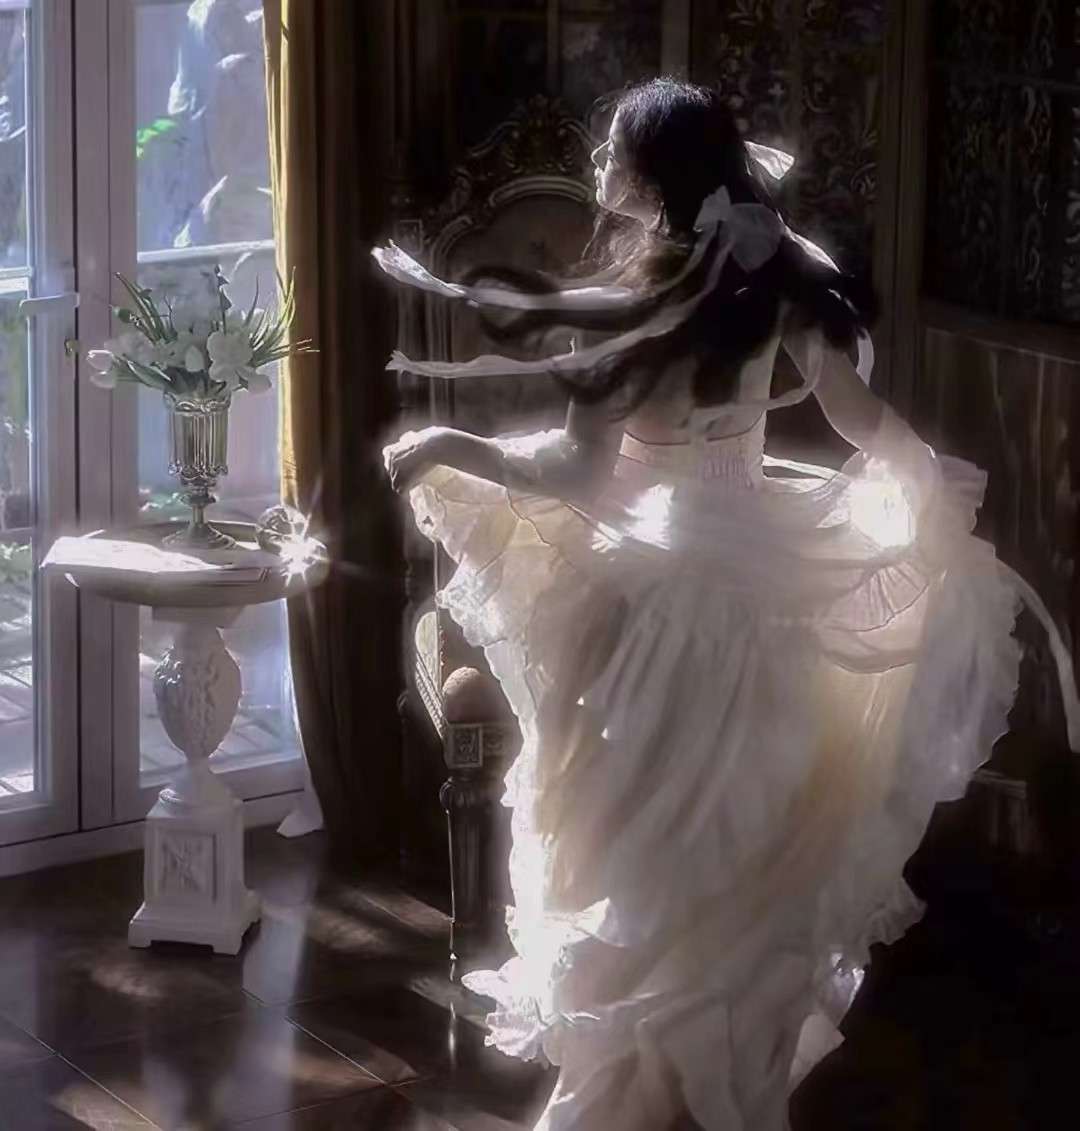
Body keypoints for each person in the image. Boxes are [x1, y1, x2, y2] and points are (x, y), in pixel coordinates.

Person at [373, 78, 1080, 1131]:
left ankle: (636, 1096)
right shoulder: (772, 275)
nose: (598, 164)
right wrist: (925, 487)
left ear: (650, 177)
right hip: (762, 592)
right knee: (742, 868)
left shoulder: (642, 308)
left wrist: (448, 442)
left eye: (612, 150)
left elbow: (576, 470)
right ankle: (712, 1091)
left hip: (661, 604)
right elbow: (856, 415)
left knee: (642, 870)